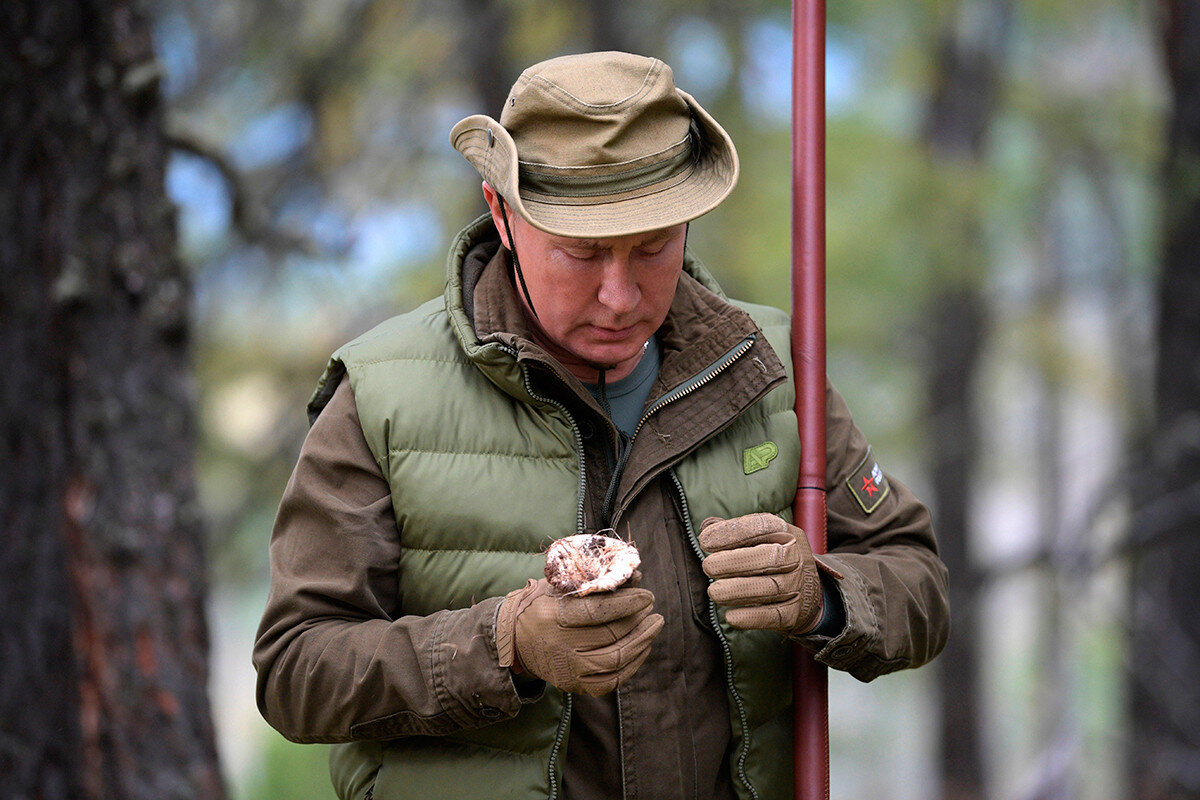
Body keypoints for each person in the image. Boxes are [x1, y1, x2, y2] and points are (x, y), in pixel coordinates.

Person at [253, 51, 949, 800]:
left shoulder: (773, 370)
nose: (619, 296)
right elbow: (297, 670)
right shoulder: (381, 396)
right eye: (580, 255)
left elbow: (919, 584)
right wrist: (503, 645)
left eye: (653, 249)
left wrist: (824, 595)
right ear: (502, 214)